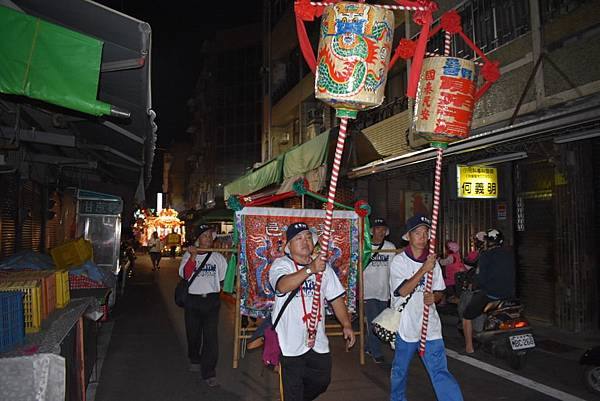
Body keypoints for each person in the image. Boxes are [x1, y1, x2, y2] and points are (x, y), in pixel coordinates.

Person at [268, 222, 356, 401]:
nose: (305, 241)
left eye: (308, 237)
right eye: (299, 238)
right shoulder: (281, 265)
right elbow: (282, 286)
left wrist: (346, 324)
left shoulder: (323, 268)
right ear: (289, 246)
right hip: (289, 342)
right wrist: (310, 270)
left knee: (322, 380)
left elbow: (336, 298)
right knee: (292, 389)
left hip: (317, 339)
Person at [389, 215, 463, 401]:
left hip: (430, 327)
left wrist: (435, 297)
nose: (422, 236)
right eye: (417, 233)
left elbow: (439, 292)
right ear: (408, 236)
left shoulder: (433, 263)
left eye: (425, 232)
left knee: (440, 371)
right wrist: (423, 269)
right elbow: (402, 291)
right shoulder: (399, 261)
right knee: (400, 372)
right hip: (405, 327)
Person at [179, 224, 228, 387]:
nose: (208, 238)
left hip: (211, 301)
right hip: (193, 300)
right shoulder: (188, 255)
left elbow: (221, 278)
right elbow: (186, 275)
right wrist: (192, 257)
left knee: (211, 338)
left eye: (209, 235)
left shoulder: (218, 257)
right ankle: (194, 357)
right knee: (193, 335)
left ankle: (209, 372)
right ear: (198, 239)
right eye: (204, 235)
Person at [462, 228, 515, 354]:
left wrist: (473, 285)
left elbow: (480, 278)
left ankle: (469, 347)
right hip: (509, 294)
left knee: (466, 316)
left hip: (491, 295)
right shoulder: (509, 254)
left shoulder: (486, 255)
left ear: (487, 242)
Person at [364, 217, 396, 364]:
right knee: (374, 322)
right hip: (368, 291)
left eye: (383, 229)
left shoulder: (390, 246)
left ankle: (368, 346)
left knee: (380, 322)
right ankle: (376, 353)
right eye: (378, 229)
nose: (381, 232)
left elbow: (393, 269)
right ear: (372, 231)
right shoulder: (365, 246)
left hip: (384, 291)